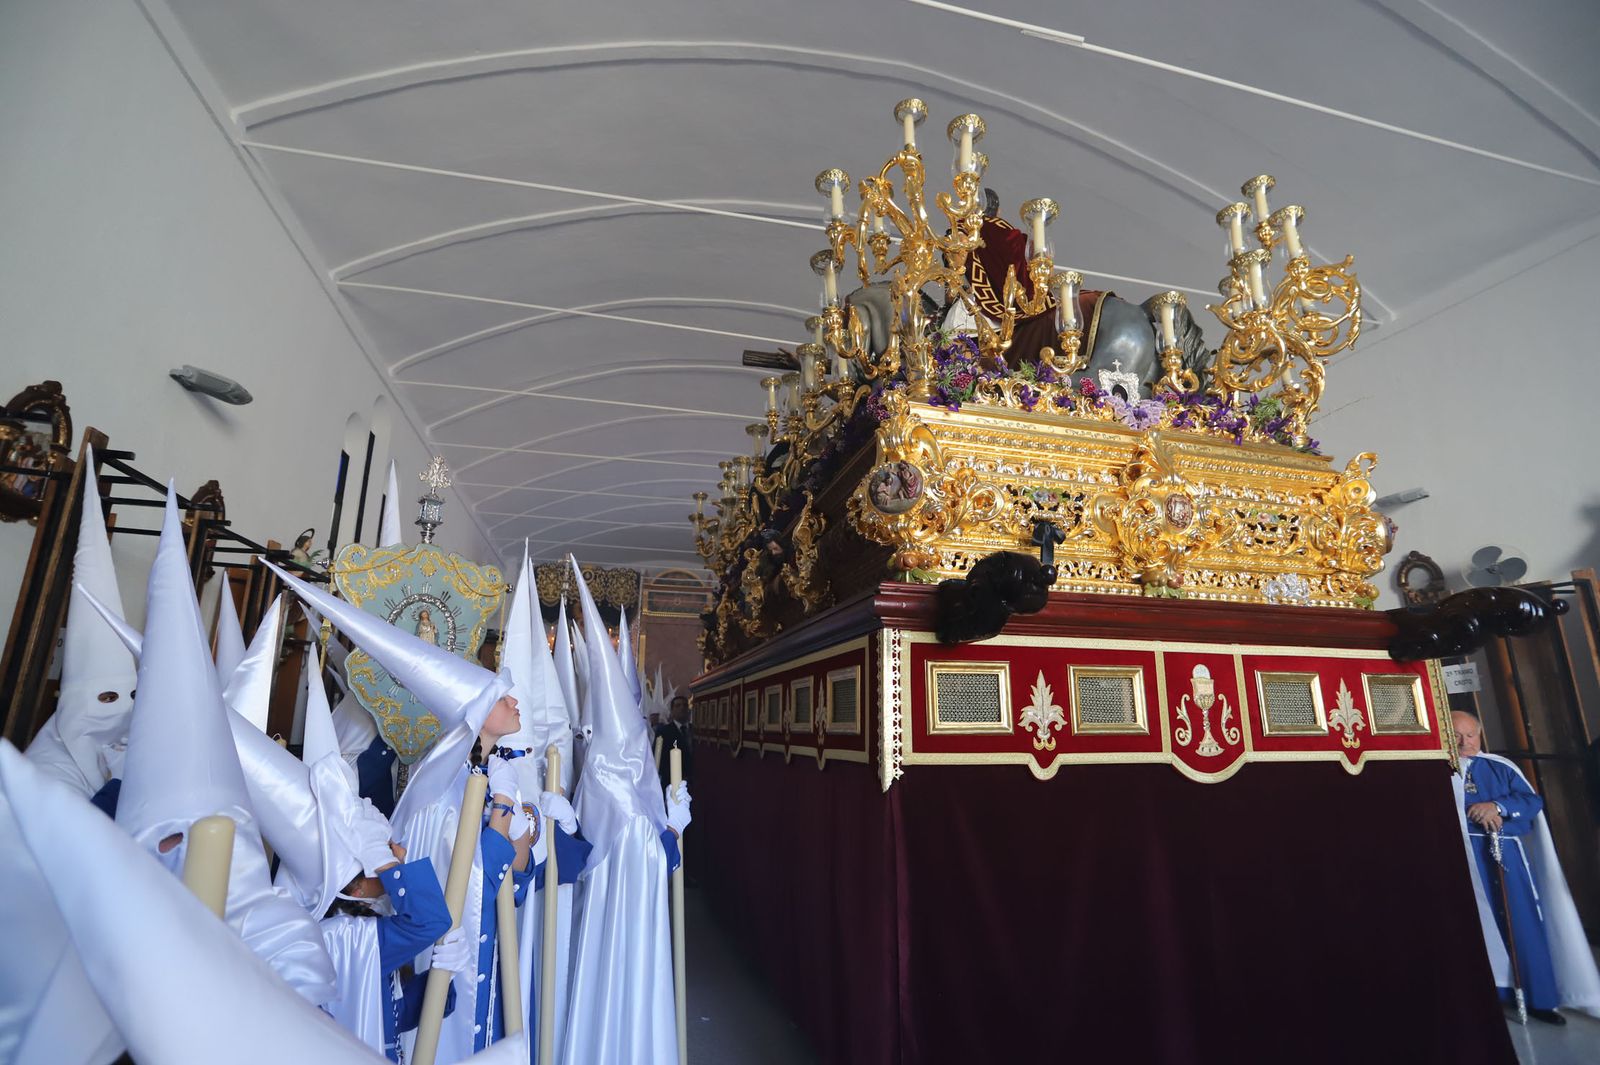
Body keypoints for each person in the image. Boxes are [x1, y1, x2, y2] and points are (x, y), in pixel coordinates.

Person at [1452, 711, 1600, 1022]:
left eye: (1470, 735)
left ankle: (1539, 998)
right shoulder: (1438, 770)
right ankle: (1489, 997)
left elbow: (1531, 802)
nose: (1465, 742)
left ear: (1480, 735)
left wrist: (1498, 807)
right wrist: (1471, 813)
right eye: (1457, 736)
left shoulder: (1501, 767)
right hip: (1460, 857)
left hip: (1505, 855)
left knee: (1522, 923)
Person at [655, 695, 694, 793]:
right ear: (672, 711)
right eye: (678, 705)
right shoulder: (662, 732)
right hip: (672, 785)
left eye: (685, 705)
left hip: (695, 785)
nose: (682, 708)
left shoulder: (696, 730)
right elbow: (658, 759)